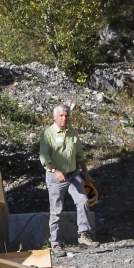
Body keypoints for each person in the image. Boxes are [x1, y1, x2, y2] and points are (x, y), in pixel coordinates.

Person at [38, 104, 96, 250]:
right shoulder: (47, 134)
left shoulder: (73, 132)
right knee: (56, 210)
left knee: (83, 200)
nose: (64, 118)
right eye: (61, 116)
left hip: (73, 174)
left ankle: (83, 236)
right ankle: (55, 243)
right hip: (55, 177)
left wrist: (86, 173)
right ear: (54, 117)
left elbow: (79, 155)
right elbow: (44, 157)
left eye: (67, 115)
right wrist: (55, 171)